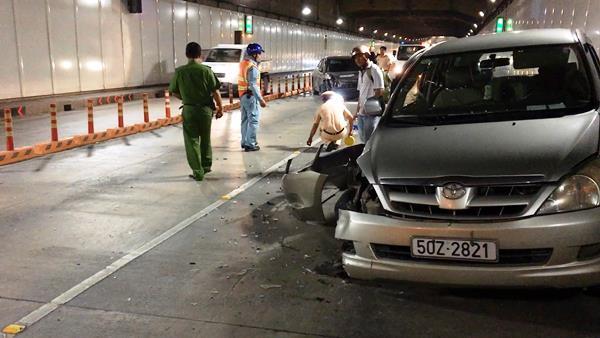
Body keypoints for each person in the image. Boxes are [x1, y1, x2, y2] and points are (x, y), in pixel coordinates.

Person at [169, 42, 223, 181]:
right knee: (206, 138)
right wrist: (220, 108)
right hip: (205, 110)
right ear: (200, 54)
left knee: (191, 140)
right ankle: (206, 166)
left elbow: (173, 91)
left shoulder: (180, 71)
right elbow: (215, 91)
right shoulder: (206, 71)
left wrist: (185, 97)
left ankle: (197, 171)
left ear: (186, 54)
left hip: (189, 109)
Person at [352, 45, 385, 143]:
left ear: (366, 55)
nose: (357, 60)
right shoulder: (361, 72)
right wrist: (357, 111)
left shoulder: (374, 70)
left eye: (359, 57)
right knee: (362, 140)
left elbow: (380, 91)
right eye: (355, 58)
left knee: (369, 141)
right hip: (361, 114)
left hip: (371, 114)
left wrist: (368, 106)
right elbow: (361, 93)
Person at [238, 43, 267, 151]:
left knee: (245, 120)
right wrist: (261, 100)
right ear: (255, 55)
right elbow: (253, 84)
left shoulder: (243, 64)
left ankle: (244, 142)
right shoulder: (252, 67)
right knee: (253, 120)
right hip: (250, 96)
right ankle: (251, 143)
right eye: (259, 53)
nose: (260, 56)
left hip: (242, 96)